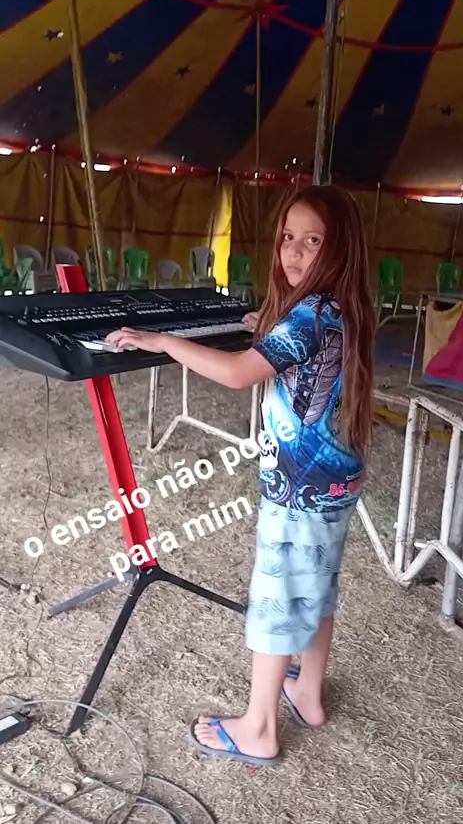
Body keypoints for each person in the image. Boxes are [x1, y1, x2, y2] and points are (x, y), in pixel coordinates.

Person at [105, 184, 376, 767]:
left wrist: (163, 341)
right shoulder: (341, 307)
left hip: (297, 488)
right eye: (288, 237)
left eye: (312, 241)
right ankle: (307, 692)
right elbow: (297, 354)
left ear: (340, 248)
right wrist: (270, 328)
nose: (294, 251)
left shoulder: (308, 316)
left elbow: (236, 373)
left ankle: (259, 728)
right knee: (318, 584)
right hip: (335, 483)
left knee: (278, 595)